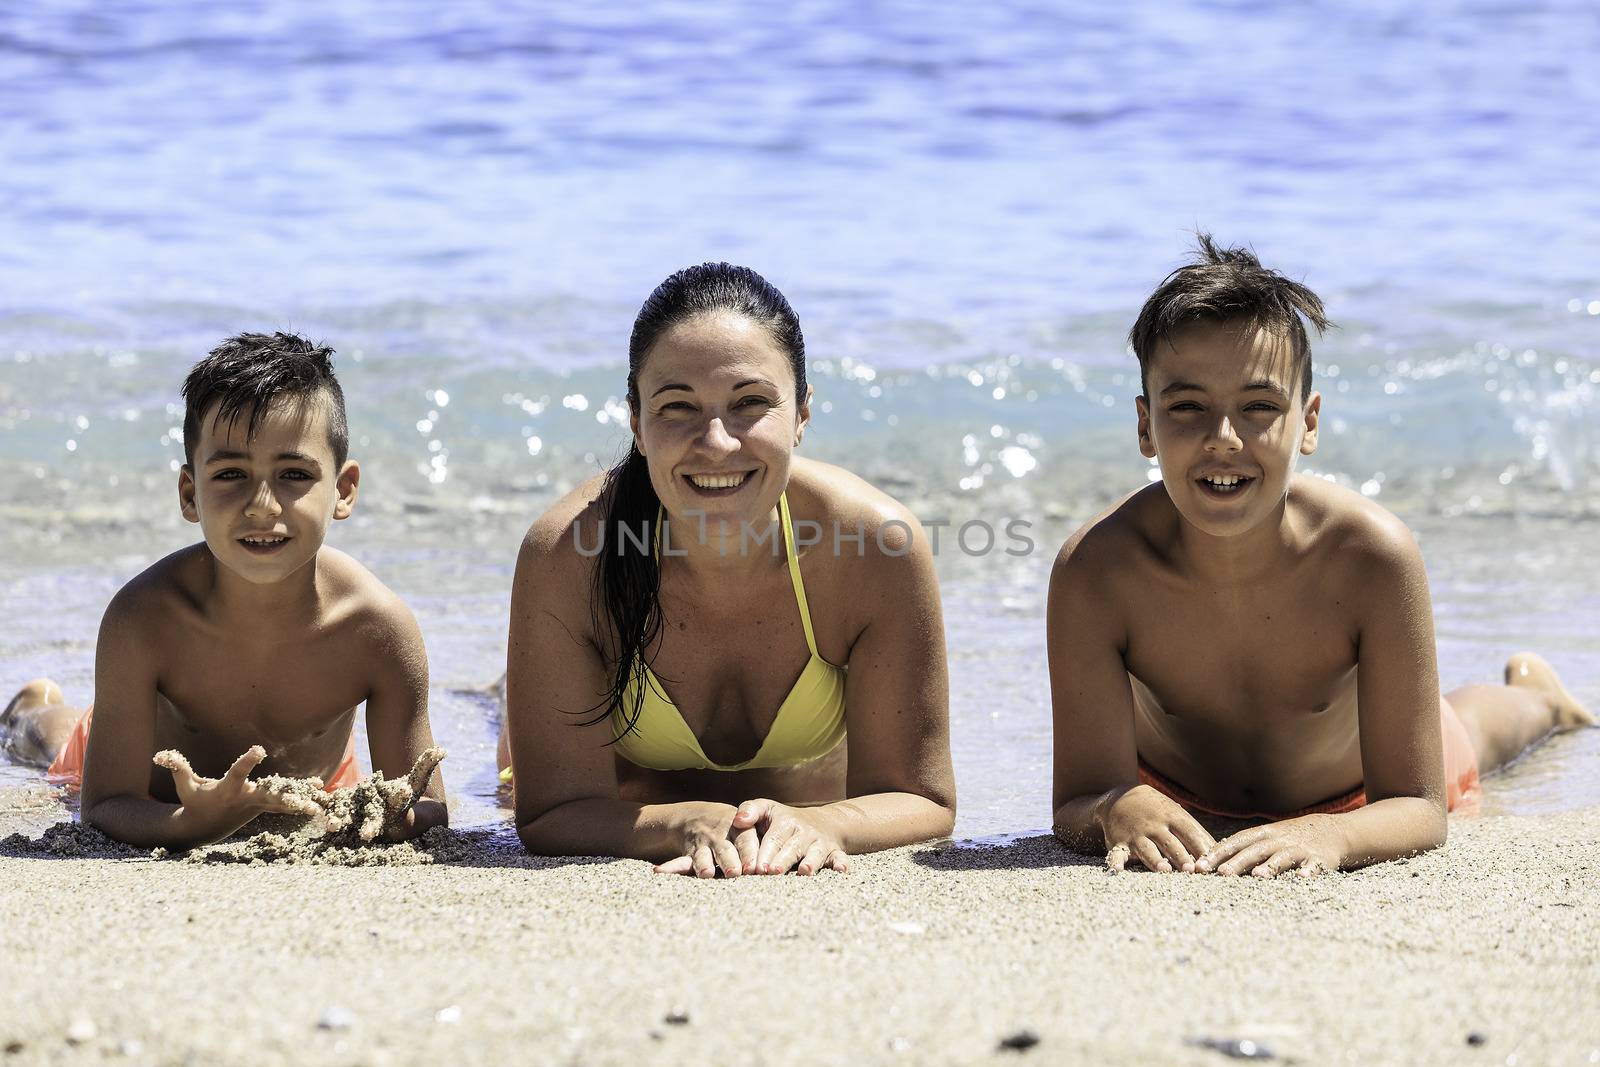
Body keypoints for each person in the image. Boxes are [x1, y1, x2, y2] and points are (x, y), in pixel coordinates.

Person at [1048, 237, 1593, 877]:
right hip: (1181, 797)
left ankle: (1541, 700)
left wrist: (1332, 835)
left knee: (1471, 729)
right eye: (1187, 407)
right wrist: (1117, 805)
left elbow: (1417, 806)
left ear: (1308, 422)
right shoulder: (1097, 569)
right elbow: (1076, 802)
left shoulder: (1370, 557)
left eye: (1259, 407)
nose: (1223, 439)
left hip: (1359, 797)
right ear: (1146, 425)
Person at [500, 263, 955, 877]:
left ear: (802, 413)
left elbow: (923, 799)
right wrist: (681, 822)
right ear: (635, 421)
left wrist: (825, 821)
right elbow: (549, 814)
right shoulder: (568, 555)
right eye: (677, 407)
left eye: (751, 404)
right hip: (627, 791)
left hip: (799, 795)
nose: (717, 443)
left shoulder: (875, 547)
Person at [1, 332, 448, 847]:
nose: (262, 504)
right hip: (156, 794)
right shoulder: (145, 618)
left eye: (294, 474)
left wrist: (399, 819)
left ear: (343, 491)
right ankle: (29, 704)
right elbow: (102, 806)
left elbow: (428, 804)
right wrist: (192, 822)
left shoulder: (377, 629)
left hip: (319, 785)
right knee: (52, 740)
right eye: (232, 473)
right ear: (190, 494)